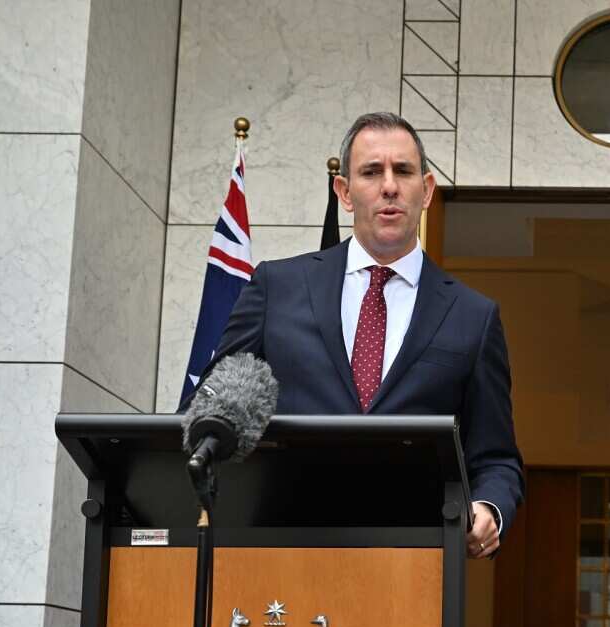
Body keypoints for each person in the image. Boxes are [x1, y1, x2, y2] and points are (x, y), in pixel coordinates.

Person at [183, 112, 522, 557]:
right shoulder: (277, 288)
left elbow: (496, 457)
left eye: (403, 171)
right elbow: (207, 408)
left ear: (427, 190)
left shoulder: (472, 316)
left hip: (413, 565)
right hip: (279, 553)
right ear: (344, 191)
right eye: (370, 172)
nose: (389, 186)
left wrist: (489, 508)